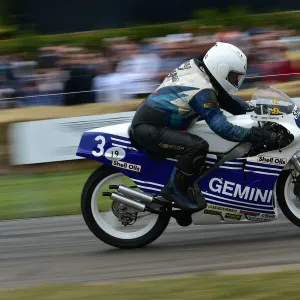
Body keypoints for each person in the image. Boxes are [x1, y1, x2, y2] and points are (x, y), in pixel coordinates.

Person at [130, 42, 279, 213]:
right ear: (221, 69)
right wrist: (255, 134)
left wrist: (258, 109)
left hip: (158, 124)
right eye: (234, 77)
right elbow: (222, 127)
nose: (236, 81)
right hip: (150, 128)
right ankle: (175, 191)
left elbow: (226, 100)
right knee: (196, 146)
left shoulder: (201, 72)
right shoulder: (201, 90)